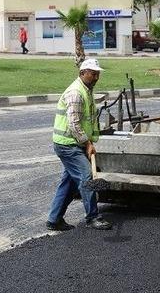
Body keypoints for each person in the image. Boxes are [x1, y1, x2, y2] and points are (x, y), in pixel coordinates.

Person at [46, 58, 112, 231]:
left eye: (97, 74)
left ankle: (54, 219)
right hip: (68, 145)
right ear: (82, 73)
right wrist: (87, 143)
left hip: (74, 143)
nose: (96, 77)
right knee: (86, 177)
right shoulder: (76, 93)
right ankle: (93, 217)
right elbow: (74, 124)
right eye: (92, 73)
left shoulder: (86, 89)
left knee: (68, 183)